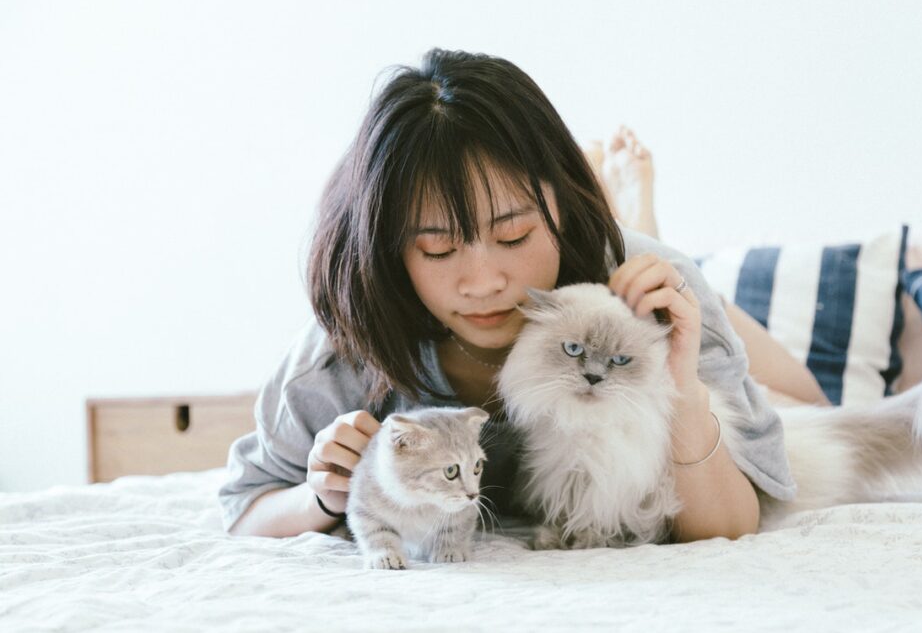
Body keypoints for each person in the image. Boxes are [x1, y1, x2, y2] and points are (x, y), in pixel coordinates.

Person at [220, 48, 811, 542]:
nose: (483, 283)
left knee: (809, 403)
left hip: (612, 273)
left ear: (563, 199)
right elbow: (247, 511)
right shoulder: (345, 345)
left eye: (514, 234)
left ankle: (635, 217)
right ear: (388, 251)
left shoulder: (655, 296)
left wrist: (682, 390)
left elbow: (732, 526)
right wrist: (321, 496)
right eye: (437, 249)